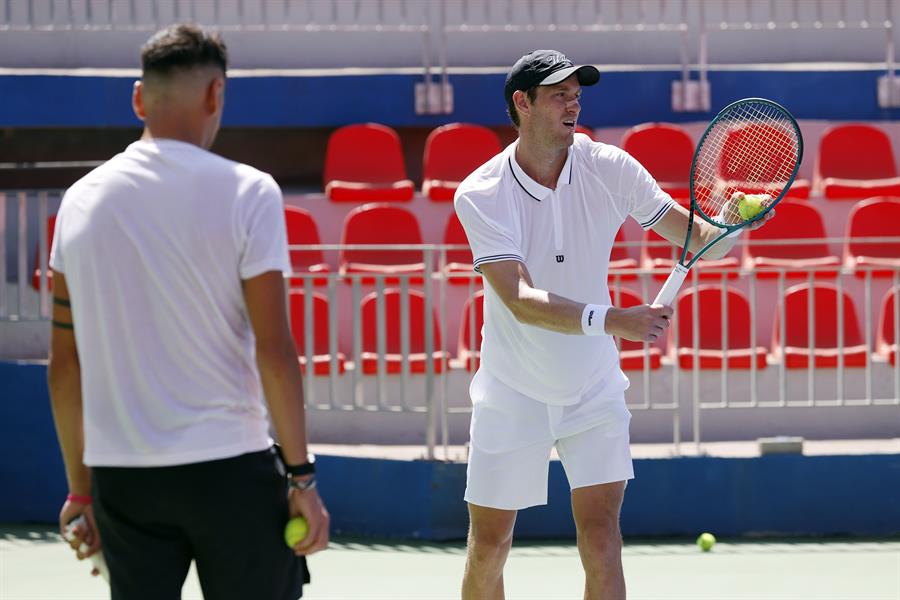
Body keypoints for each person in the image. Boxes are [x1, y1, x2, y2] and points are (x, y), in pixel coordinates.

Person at [454, 50, 773, 600]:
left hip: (592, 389)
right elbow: (519, 299)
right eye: (559, 94)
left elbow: (698, 239)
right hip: (511, 391)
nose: (574, 103)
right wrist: (613, 320)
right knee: (490, 547)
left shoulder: (611, 167)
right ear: (522, 103)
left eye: (578, 93)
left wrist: (733, 224)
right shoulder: (480, 193)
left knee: (602, 539)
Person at [47, 23, 328, 600]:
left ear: (137, 98)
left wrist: (81, 491)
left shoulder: (77, 203)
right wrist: (302, 477)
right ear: (216, 95)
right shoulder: (250, 192)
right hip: (229, 470)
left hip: (123, 482)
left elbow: (64, 365)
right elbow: (273, 349)